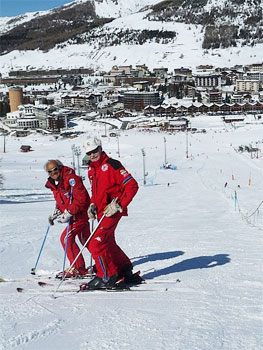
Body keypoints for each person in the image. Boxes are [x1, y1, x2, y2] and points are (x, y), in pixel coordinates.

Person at [83, 137, 142, 289]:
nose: (92, 155)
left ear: (100, 148)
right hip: (102, 211)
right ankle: (124, 268)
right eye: (89, 153)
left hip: (113, 210)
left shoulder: (112, 165)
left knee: (96, 243)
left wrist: (119, 205)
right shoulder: (91, 168)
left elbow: (132, 186)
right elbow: (97, 191)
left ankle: (107, 275)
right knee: (107, 242)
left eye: (95, 151)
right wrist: (92, 204)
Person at [45, 159, 91, 278]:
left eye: (55, 169)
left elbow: (81, 199)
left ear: (60, 168)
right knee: (87, 240)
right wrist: (58, 211)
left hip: (80, 214)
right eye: (50, 171)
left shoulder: (71, 179)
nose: (53, 173)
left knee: (66, 238)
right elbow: (62, 201)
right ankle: (107, 262)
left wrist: (69, 212)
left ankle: (78, 268)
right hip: (74, 214)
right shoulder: (56, 183)